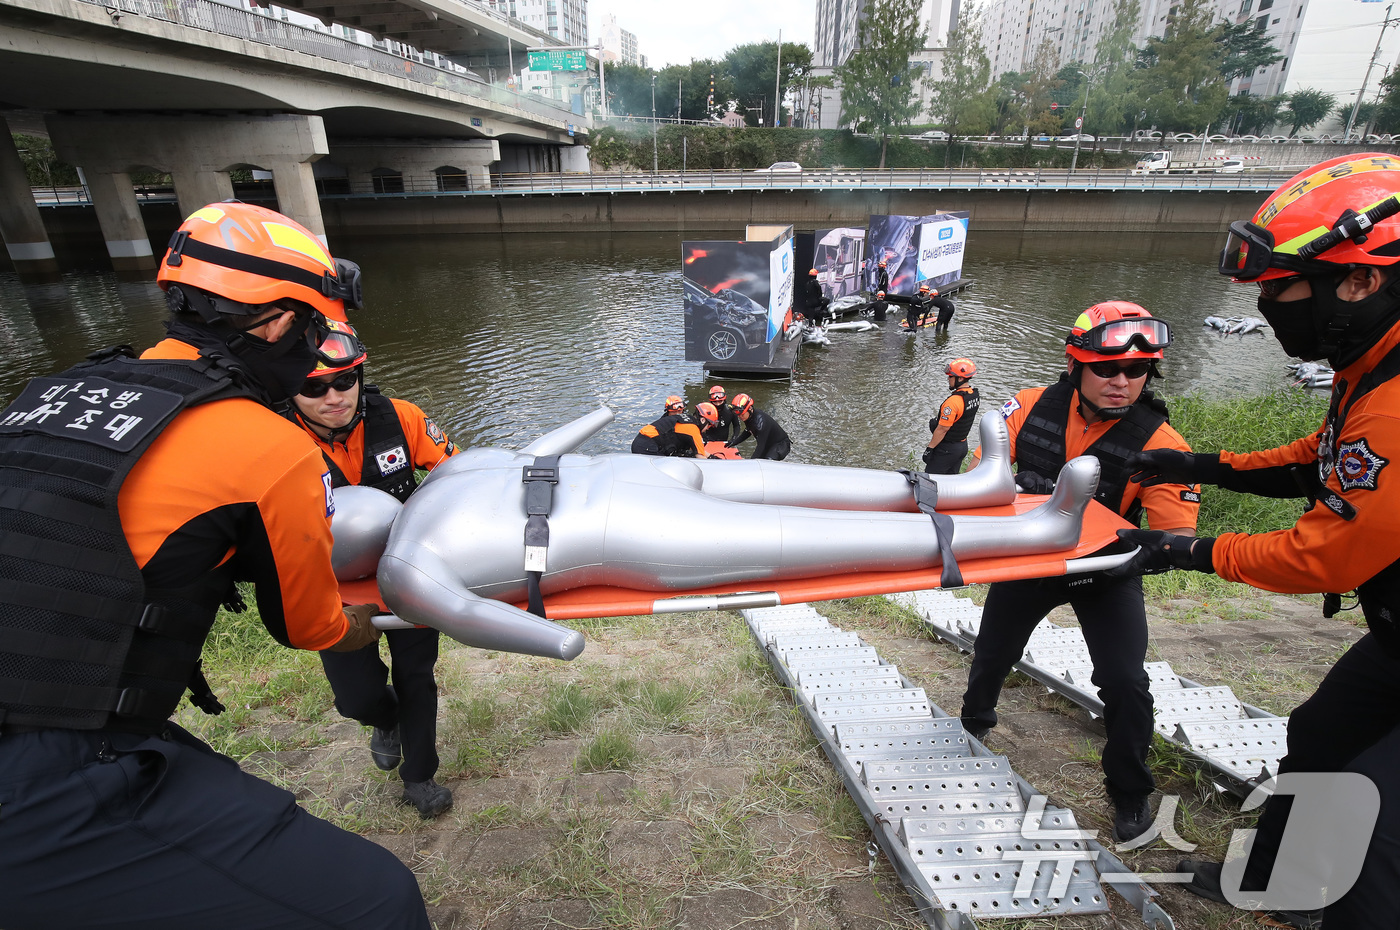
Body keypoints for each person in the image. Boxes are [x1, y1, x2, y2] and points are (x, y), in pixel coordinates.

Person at [0, 201, 429, 928]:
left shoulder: (47, 395)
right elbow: (307, 625)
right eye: (316, 329)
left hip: (46, 712)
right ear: (271, 324)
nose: (320, 363)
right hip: (53, 753)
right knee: (378, 904)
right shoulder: (264, 445)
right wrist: (358, 626)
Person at [1112, 153, 1400, 929]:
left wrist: (1186, 550)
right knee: (1322, 733)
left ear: (1362, 279)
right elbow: (1322, 458)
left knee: (1378, 843)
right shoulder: (1371, 363)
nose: (1271, 306)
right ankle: (1283, 883)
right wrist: (1198, 463)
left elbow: (1325, 555)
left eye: (1281, 290)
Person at [959, 300, 1199, 844]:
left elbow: (1176, 529)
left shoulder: (1162, 444)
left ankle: (1130, 790)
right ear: (1076, 365)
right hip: (1030, 559)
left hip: (1107, 568)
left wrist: (1157, 549)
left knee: (1125, 680)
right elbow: (979, 482)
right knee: (994, 648)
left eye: (1137, 371)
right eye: (1108, 369)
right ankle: (975, 720)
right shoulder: (1023, 407)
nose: (1122, 382)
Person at [285, 322, 458, 819]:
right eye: (313, 388)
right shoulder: (273, 441)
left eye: (344, 381)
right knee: (354, 697)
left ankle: (420, 775)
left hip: (404, 571)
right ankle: (384, 719)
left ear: (360, 376)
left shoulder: (401, 419)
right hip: (330, 585)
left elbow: (458, 475)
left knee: (416, 677)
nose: (332, 397)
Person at [923, 358, 980, 474]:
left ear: (960, 378)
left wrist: (930, 449)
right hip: (962, 446)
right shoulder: (973, 396)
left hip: (947, 450)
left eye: (951, 376)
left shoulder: (953, 402)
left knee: (929, 480)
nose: (948, 379)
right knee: (951, 484)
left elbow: (943, 429)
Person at [631, 395, 705, 457]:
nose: (678, 413)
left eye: (680, 410)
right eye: (674, 411)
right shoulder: (665, 423)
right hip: (648, 445)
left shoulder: (685, 422)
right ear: (668, 410)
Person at [727, 392, 792, 461]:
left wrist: (751, 462)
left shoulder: (760, 423)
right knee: (760, 459)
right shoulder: (749, 417)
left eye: (742, 415)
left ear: (750, 409)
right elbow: (748, 431)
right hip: (768, 443)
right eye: (738, 415)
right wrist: (734, 442)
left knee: (767, 462)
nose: (740, 417)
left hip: (780, 445)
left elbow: (761, 446)